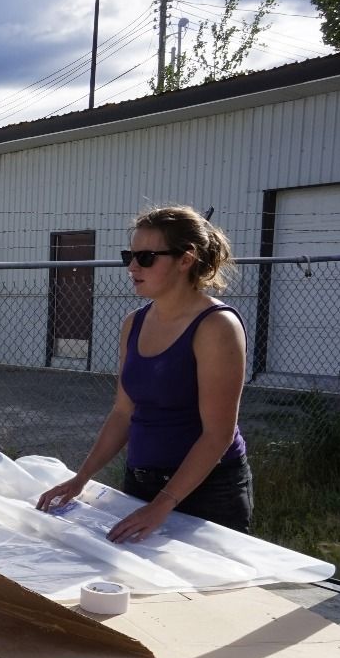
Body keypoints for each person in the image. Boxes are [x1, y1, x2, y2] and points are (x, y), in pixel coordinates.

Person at [37, 205, 252, 540]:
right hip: (140, 484)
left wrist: (162, 505)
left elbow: (217, 434)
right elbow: (124, 412)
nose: (133, 267)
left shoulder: (216, 327)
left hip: (206, 493)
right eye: (130, 255)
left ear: (186, 260)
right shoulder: (133, 323)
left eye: (147, 257)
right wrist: (81, 478)